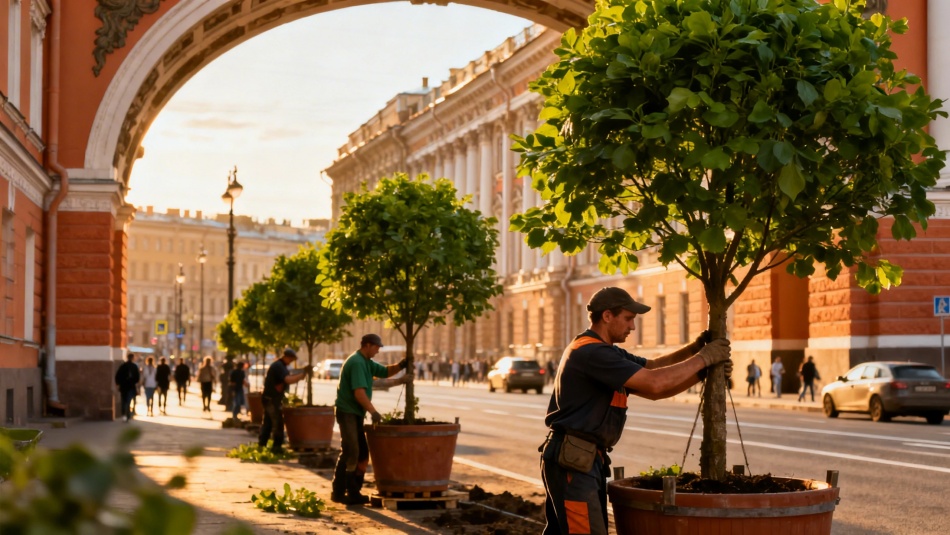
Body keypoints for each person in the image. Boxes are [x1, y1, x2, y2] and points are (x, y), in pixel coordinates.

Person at [540, 287, 732, 535]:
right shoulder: (592, 352)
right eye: (628, 318)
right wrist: (704, 359)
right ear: (607, 316)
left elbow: (653, 377)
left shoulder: (605, 350)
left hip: (580, 459)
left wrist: (696, 357)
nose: (632, 327)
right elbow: (655, 382)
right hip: (573, 463)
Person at [331, 334, 411, 505]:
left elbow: (384, 372)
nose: (378, 351)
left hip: (355, 413)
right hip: (348, 413)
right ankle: (347, 491)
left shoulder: (366, 361)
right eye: (376, 347)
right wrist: (373, 412)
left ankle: (346, 491)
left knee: (358, 452)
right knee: (352, 450)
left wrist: (401, 366)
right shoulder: (357, 362)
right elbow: (359, 393)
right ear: (367, 345)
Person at [258, 349, 310, 454]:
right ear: (286, 357)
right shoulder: (279, 367)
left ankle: (262, 445)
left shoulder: (280, 366)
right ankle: (276, 447)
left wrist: (302, 373)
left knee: (268, 423)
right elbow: (288, 380)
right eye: (291, 359)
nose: (291, 361)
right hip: (272, 399)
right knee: (278, 423)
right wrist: (302, 375)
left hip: (270, 398)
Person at [115, 353, 141, 422]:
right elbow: (137, 378)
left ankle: (124, 414)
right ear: (132, 358)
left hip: (123, 386)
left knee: (124, 401)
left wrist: (118, 383)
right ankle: (128, 414)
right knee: (129, 401)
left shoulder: (123, 366)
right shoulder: (134, 366)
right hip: (131, 386)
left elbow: (117, 376)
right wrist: (133, 381)